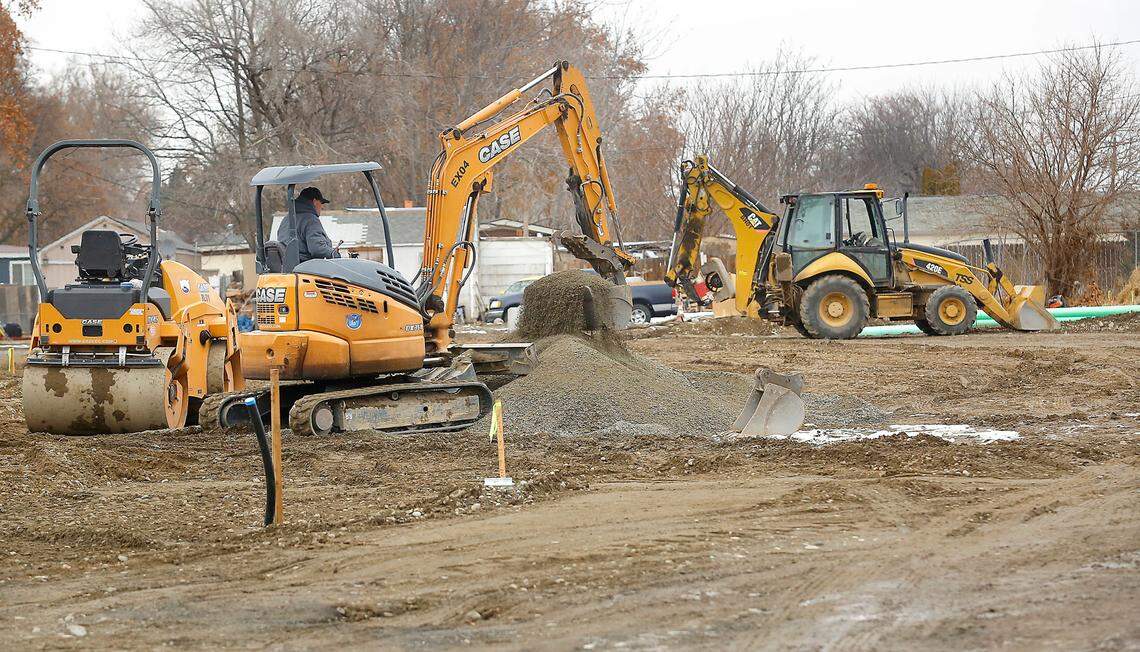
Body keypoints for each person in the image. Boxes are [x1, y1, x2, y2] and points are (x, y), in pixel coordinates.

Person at [276, 186, 337, 262]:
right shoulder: (311, 220)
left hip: (286, 267)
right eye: (321, 203)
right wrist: (334, 253)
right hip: (304, 268)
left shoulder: (286, 219)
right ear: (314, 202)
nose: (322, 207)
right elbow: (317, 249)